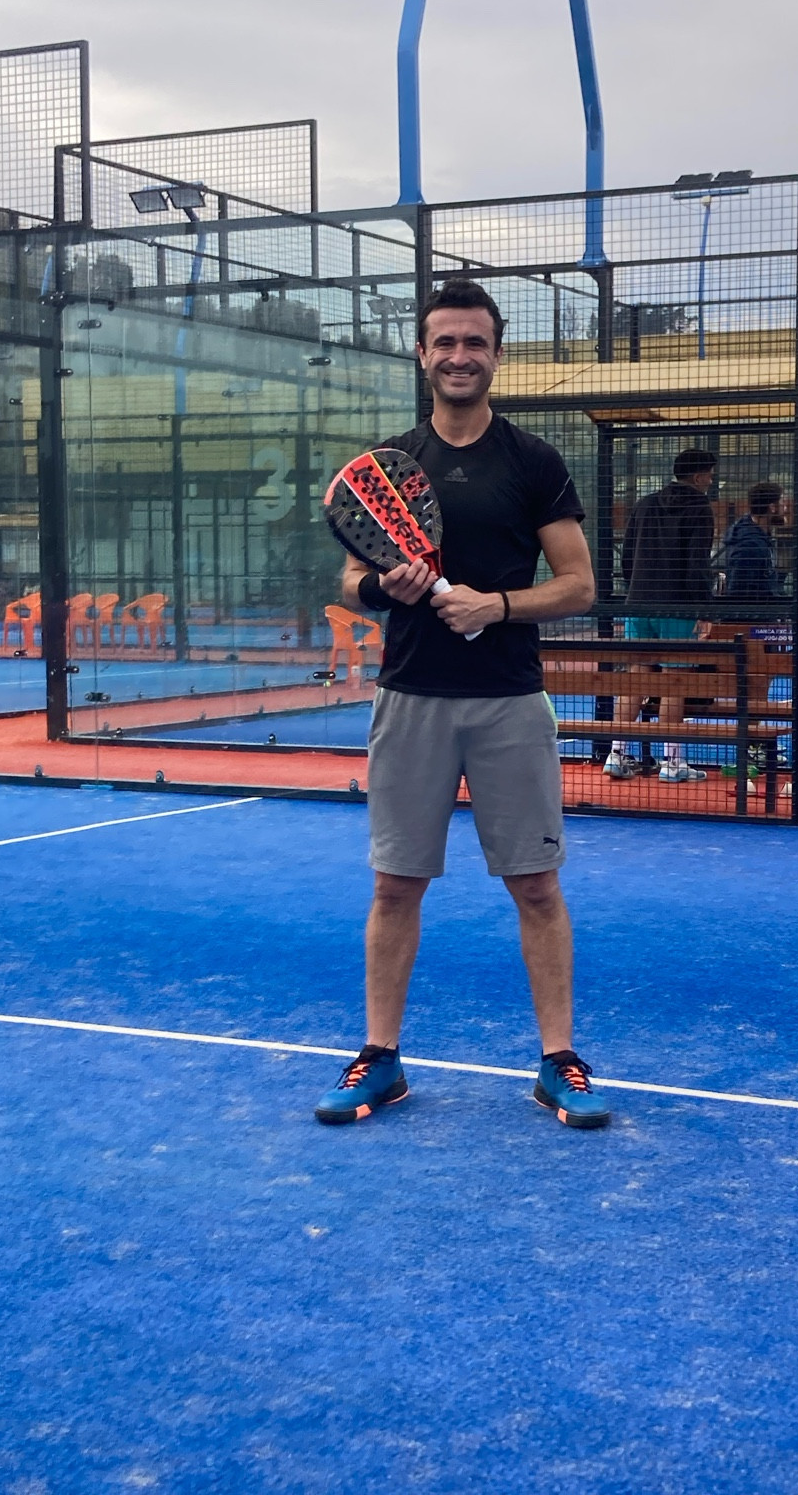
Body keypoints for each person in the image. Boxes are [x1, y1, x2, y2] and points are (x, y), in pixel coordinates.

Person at [314, 279, 610, 1130]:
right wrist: (389, 587)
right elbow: (352, 580)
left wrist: (497, 605)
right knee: (395, 885)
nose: (458, 356)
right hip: (411, 697)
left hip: (510, 701)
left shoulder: (534, 462)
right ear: (422, 354)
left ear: (496, 355)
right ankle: (380, 1059)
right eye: (444, 342)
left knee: (537, 886)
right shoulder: (388, 465)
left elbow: (579, 585)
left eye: (474, 342)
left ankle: (559, 1061)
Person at [604, 447, 717, 784]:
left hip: (638, 602)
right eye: (710, 475)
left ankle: (616, 754)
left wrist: (636, 590)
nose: (711, 481)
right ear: (698, 477)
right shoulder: (700, 507)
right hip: (677, 605)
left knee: (636, 676)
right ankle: (672, 762)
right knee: (673, 681)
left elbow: (627, 557)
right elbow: (698, 562)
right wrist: (704, 609)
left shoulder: (645, 504)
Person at [719, 481, 785, 598]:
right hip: (758, 608)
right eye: (782, 502)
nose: (785, 508)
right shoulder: (750, 546)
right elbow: (738, 591)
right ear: (772, 507)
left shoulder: (754, 536)